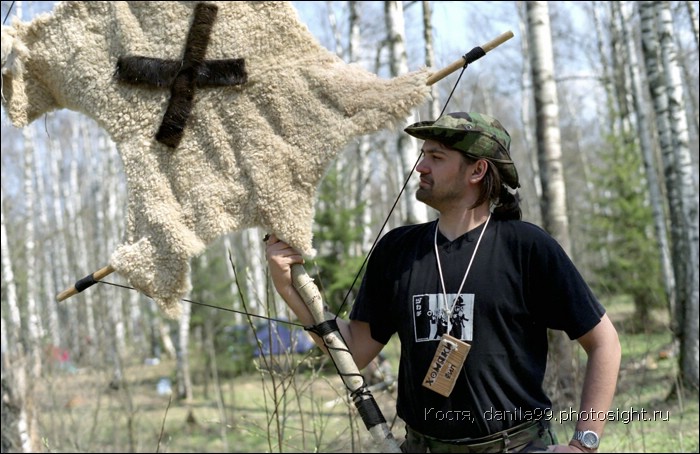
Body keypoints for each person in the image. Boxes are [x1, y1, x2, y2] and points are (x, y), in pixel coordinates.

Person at [265, 112, 621, 453]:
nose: (420, 167)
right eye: (423, 156)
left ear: (477, 170)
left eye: (436, 157)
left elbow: (604, 342)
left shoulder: (525, 247)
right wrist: (290, 290)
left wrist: (583, 444)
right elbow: (355, 350)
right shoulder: (397, 250)